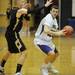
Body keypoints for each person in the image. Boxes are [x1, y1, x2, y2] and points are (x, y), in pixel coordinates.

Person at [0, 0, 53, 75]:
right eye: (22, 2)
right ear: (17, 2)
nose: (24, 3)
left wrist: (26, 13)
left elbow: (26, 18)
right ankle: (18, 72)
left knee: (10, 51)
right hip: (13, 34)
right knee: (24, 52)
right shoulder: (20, 10)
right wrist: (45, 6)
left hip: (9, 33)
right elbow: (34, 11)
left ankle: (1, 67)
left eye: (24, 2)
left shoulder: (13, 9)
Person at [34, 5, 65, 75]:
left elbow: (53, 29)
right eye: (53, 11)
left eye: (56, 12)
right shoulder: (48, 18)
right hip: (40, 41)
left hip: (48, 41)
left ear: (58, 13)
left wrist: (62, 31)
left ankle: (49, 67)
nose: (55, 13)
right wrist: (57, 33)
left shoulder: (54, 19)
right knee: (51, 54)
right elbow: (46, 30)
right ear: (50, 11)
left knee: (56, 54)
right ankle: (43, 68)